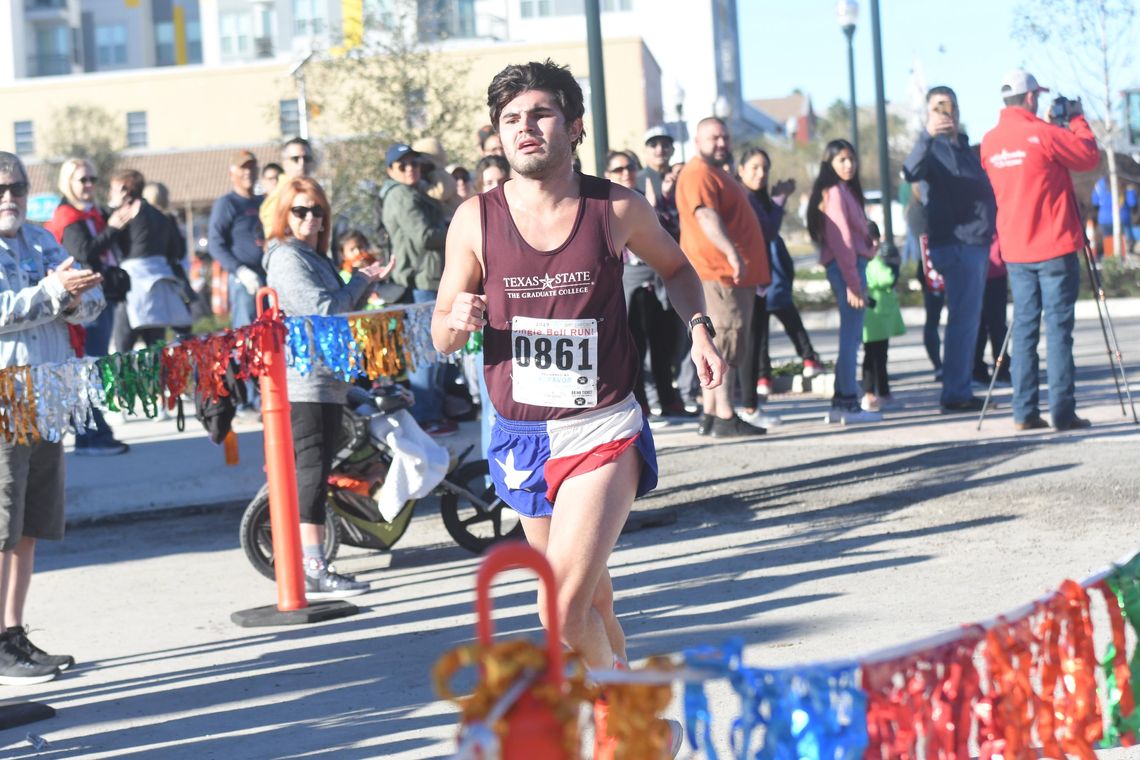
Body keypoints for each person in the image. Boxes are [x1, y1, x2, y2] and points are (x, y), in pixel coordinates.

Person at [431, 60, 723, 758]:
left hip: (602, 429)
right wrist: (459, 317)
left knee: (557, 605)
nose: (525, 129)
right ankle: (635, 726)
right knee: (591, 604)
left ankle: (631, 727)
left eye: (539, 114)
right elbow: (442, 333)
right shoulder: (475, 219)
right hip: (520, 435)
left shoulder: (615, 208)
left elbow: (678, 270)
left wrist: (701, 331)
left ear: (573, 124)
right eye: (510, 120)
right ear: (496, 136)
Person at [0, 151, 105, 683]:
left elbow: (92, 299)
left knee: (30, 525)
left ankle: (12, 633)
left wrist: (70, 299)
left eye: (16, 187)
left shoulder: (43, 240)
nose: (9, 198)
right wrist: (53, 293)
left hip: (47, 395)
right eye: (0, 189)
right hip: (4, 401)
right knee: (0, 525)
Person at [264, 177, 388, 598]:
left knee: (318, 471)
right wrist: (360, 280)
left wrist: (362, 281)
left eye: (317, 210)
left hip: (325, 379)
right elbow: (325, 310)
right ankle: (313, 566)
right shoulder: (286, 256)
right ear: (284, 213)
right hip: (304, 383)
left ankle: (313, 562)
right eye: (300, 210)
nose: (311, 219)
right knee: (313, 473)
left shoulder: (311, 255)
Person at [981, 69, 1099, 431]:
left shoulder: (990, 142)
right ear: (1030, 97)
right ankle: (1062, 412)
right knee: (1059, 330)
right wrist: (1076, 120)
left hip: (1016, 248)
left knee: (1025, 329)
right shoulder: (1044, 134)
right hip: (1054, 245)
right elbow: (1086, 156)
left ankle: (1024, 412)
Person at [675, 116, 771, 437]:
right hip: (718, 274)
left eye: (725, 137)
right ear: (697, 141)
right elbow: (705, 215)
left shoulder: (715, 173)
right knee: (726, 343)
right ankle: (726, 415)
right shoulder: (699, 173)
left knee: (721, 343)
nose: (721, 143)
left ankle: (712, 413)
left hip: (729, 276)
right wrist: (731, 254)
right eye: (714, 137)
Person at [903, 86, 997, 413]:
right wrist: (926, 135)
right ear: (928, 114)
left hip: (974, 242)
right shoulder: (929, 149)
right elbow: (910, 171)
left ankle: (958, 389)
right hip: (956, 244)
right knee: (963, 320)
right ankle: (956, 393)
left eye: (951, 106)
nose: (947, 113)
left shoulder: (963, 147)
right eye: (938, 108)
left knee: (966, 319)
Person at [45, 158, 135, 456]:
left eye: (92, 179)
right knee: (89, 368)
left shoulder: (90, 214)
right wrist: (110, 229)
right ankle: (90, 435)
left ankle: (94, 432)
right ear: (67, 182)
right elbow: (82, 253)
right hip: (82, 304)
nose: (88, 186)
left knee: (94, 367)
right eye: (82, 180)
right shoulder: (67, 218)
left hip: (97, 299)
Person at [736, 147, 822, 418]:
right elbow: (768, 231)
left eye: (764, 168)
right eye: (754, 168)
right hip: (746, 281)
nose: (760, 174)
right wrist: (781, 198)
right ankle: (749, 403)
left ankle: (756, 394)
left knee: (758, 338)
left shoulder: (757, 197)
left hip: (760, 280)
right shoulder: (743, 197)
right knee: (750, 342)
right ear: (741, 171)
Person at [605, 151, 689, 421]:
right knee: (634, 346)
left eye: (630, 167)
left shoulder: (645, 199)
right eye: (618, 170)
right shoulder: (605, 203)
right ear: (608, 174)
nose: (625, 173)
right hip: (626, 279)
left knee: (662, 342)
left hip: (656, 277)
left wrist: (659, 205)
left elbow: (672, 232)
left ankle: (669, 399)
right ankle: (639, 402)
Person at [380, 143, 454, 436]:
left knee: (433, 350)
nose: (410, 168)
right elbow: (423, 236)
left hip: (429, 278)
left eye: (415, 163)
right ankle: (426, 417)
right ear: (390, 171)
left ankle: (432, 412)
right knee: (425, 351)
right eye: (402, 165)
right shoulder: (400, 194)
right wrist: (456, 229)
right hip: (420, 281)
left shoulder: (413, 190)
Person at [806, 139, 881, 423]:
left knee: (850, 337)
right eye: (842, 160)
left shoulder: (844, 191)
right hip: (846, 269)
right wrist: (853, 284)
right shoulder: (835, 193)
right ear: (830, 164)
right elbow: (843, 242)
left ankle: (842, 402)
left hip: (848, 267)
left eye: (851, 159)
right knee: (850, 339)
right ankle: (848, 402)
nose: (849, 165)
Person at [108, 169, 192, 353]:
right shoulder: (162, 217)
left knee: (122, 351)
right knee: (155, 351)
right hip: (157, 286)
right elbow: (178, 251)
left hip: (131, 286)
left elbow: (108, 243)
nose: (110, 194)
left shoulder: (125, 213)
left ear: (124, 189)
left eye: (112, 189)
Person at [208, 150, 266, 337]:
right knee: (247, 334)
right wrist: (240, 270)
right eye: (243, 168)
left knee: (271, 332)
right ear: (232, 173)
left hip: (268, 276)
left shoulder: (263, 202)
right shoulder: (227, 203)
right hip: (245, 280)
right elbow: (215, 244)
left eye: (251, 167)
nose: (248, 172)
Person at [861, 221, 905, 412]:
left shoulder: (861, 259)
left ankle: (871, 393)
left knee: (870, 357)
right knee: (878, 358)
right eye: (874, 239)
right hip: (878, 318)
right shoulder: (874, 261)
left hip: (871, 319)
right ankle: (880, 394)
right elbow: (887, 278)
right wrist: (894, 267)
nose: (877, 244)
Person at [974, 233, 1012, 386]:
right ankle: (997, 370)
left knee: (986, 324)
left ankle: (987, 369)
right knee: (994, 324)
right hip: (991, 267)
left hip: (986, 266)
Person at [260, 137, 315, 233]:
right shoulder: (281, 193)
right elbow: (273, 232)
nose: (301, 164)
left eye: (306, 159)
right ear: (285, 163)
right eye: (295, 159)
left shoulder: (312, 189)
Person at [639, 125, 675, 203]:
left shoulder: (680, 177)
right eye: (653, 145)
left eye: (665, 145)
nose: (660, 149)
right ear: (644, 151)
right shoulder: (636, 181)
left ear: (673, 150)